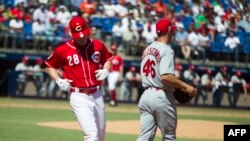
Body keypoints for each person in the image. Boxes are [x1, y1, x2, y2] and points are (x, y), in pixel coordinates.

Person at [45, 16, 113, 141]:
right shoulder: (62, 50)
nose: (81, 37)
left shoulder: (97, 45)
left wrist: (106, 69)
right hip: (79, 96)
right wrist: (58, 80)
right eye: (78, 35)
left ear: (88, 30)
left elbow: (108, 59)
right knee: (92, 134)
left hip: (97, 94)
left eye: (83, 34)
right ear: (70, 32)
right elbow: (49, 66)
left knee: (101, 135)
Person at [138, 19, 197, 141]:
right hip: (161, 96)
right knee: (169, 137)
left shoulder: (147, 49)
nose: (173, 33)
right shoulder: (167, 50)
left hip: (146, 96)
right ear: (169, 31)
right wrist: (185, 86)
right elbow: (166, 76)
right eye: (172, 31)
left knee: (144, 138)